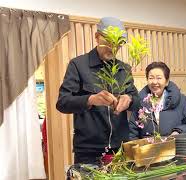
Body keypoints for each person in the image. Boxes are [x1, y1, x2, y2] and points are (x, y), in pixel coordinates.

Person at [56, 17, 140, 165]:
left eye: (117, 44)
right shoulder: (78, 65)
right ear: (97, 37)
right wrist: (90, 99)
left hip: (119, 148)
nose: (112, 47)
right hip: (88, 151)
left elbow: (137, 101)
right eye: (108, 41)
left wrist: (130, 99)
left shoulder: (124, 69)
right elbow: (62, 102)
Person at [129, 62, 186, 139]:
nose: (154, 82)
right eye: (151, 78)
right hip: (147, 148)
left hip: (174, 148)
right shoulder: (140, 101)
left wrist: (178, 131)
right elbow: (132, 131)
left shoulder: (181, 100)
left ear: (167, 81)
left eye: (159, 78)